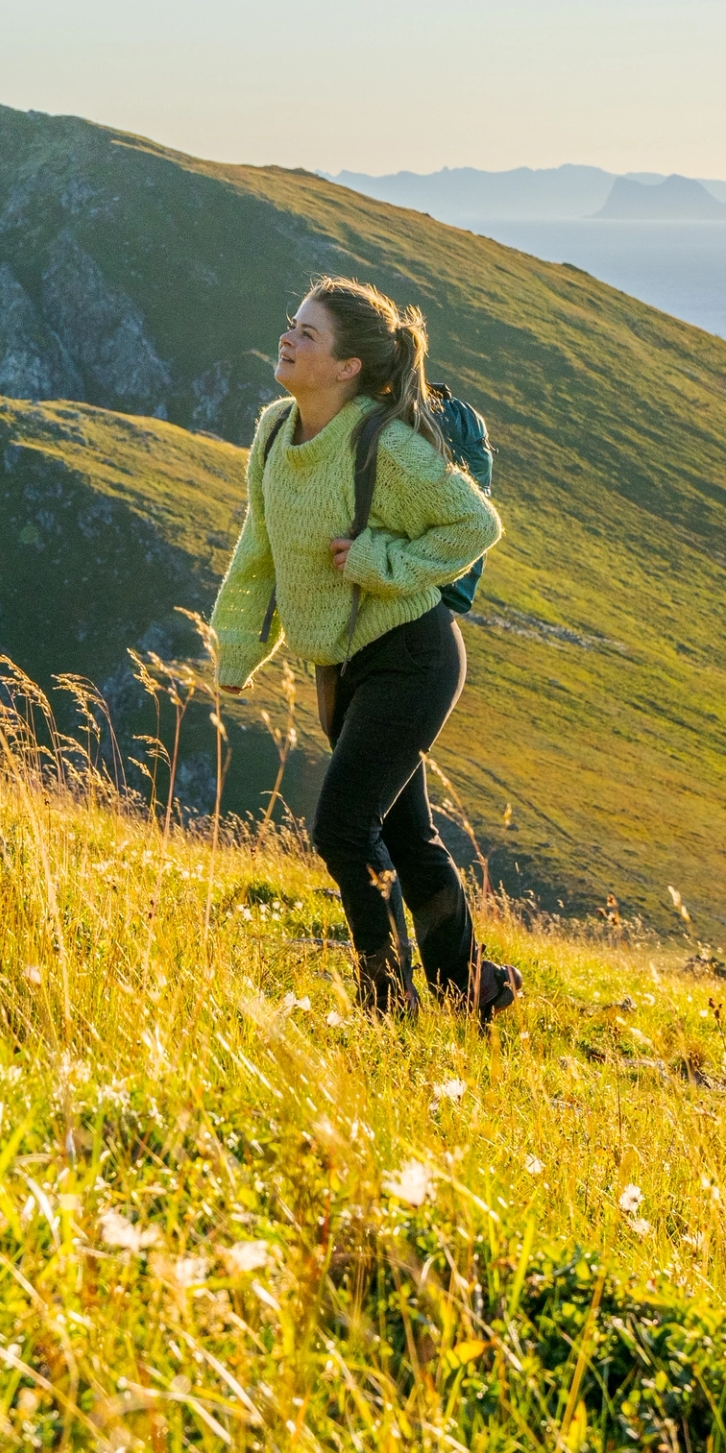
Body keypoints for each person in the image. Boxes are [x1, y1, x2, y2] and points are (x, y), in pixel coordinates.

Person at [212, 278, 522, 1022]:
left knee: (343, 828)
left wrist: (385, 561)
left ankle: (387, 1004)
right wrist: (236, 646)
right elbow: (258, 543)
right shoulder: (274, 430)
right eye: (292, 324)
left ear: (348, 367)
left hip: (412, 655)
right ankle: (468, 988)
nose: (287, 337)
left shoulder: (384, 446)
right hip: (340, 665)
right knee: (405, 833)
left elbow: (474, 526)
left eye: (308, 333)